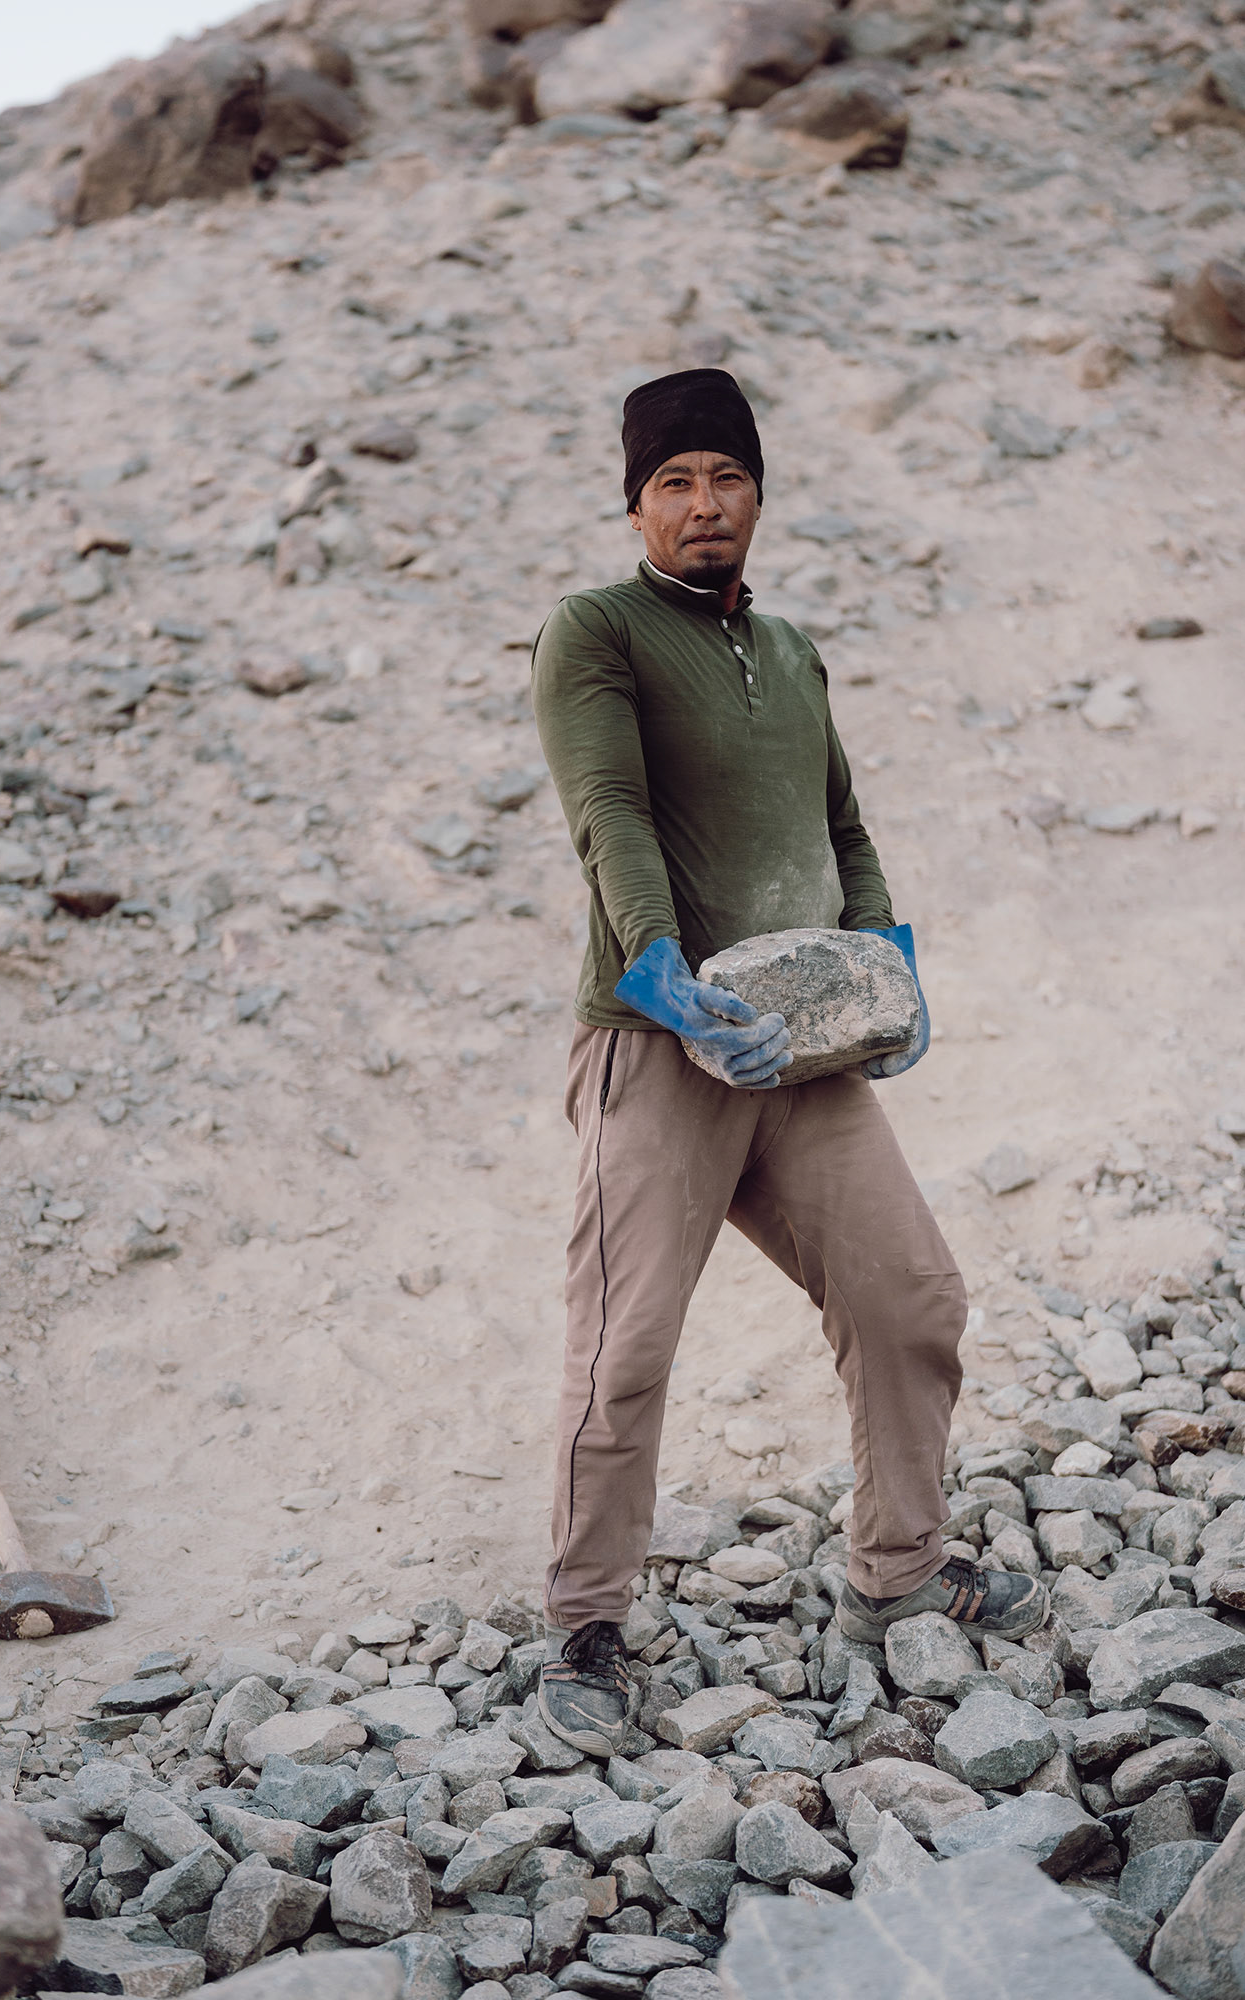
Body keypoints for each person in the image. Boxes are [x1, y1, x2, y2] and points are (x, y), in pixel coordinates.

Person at [528, 368, 1047, 1757]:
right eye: (674, 482)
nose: (704, 505)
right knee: (624, 1346)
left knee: (908, 1292)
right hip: (664, 1046)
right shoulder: (597, 633)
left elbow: (846, 827)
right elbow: (610, 815)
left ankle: (899, 1566)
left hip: (805, 1050)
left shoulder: (795, 649)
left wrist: (890, 962)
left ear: (758, 492)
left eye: (727, 478)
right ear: (635, 502)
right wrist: (661, 969)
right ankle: (584, 1618)